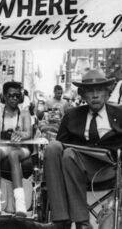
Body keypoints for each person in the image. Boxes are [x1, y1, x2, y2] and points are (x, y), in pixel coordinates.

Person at [44, 69, 122, 229]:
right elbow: (60, 146)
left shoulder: (119, 114)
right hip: (75, 168)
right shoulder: (71, 115)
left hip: (109, 169)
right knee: (56, 149)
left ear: (107, 93)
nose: (95, 95)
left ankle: (80, 222)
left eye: (99, 90)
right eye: (90, 91)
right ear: (82, 94)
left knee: (69, 155)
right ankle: (64, 220)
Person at [0, 81, 32, 216]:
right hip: (2, 147)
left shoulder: (24, 113)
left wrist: (21, 134)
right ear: (5, 96)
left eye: (17, 96)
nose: (14, 98)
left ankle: (21, 204)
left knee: (13, 155)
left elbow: (29, 133)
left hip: (21, 148)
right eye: (11, 95)